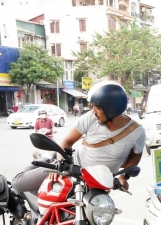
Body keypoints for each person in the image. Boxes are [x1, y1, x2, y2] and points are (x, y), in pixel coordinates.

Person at [12, 81, 145, 193]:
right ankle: (48, 158)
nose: (93, 111)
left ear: (111, 109)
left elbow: (135, 155)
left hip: (98, 183)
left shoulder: (136, 132)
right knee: (18, 184)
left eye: (97, 107)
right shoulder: (91, 118)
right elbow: (67, 141)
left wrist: (123, 177)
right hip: (71, 169)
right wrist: (59, 164)